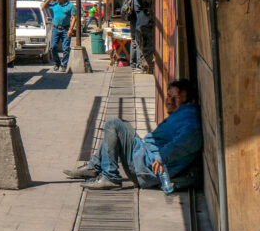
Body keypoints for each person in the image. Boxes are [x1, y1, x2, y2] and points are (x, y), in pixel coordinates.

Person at [64, 79, 202, 190]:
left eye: (176, 98)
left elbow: (187, 139)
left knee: (113, 124)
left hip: (145, 168)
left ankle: (110, 176)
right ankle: (95, 166)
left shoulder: (189, 118)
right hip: (143, 158)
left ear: (190, 102)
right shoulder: (182, 115)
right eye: (168, 96)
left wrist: (161, 157)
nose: (170, 101)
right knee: (120, 125)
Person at [42, 0, 76, 71]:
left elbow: (74, 18)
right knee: (53, 47)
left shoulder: (70, 6)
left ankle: (64, 64)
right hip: (56, 29)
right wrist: (49, 0)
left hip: (66, 29)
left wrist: (71, 29)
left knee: (66, 48)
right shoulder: (55, 5)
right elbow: (44, 7)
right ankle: (57, 63)